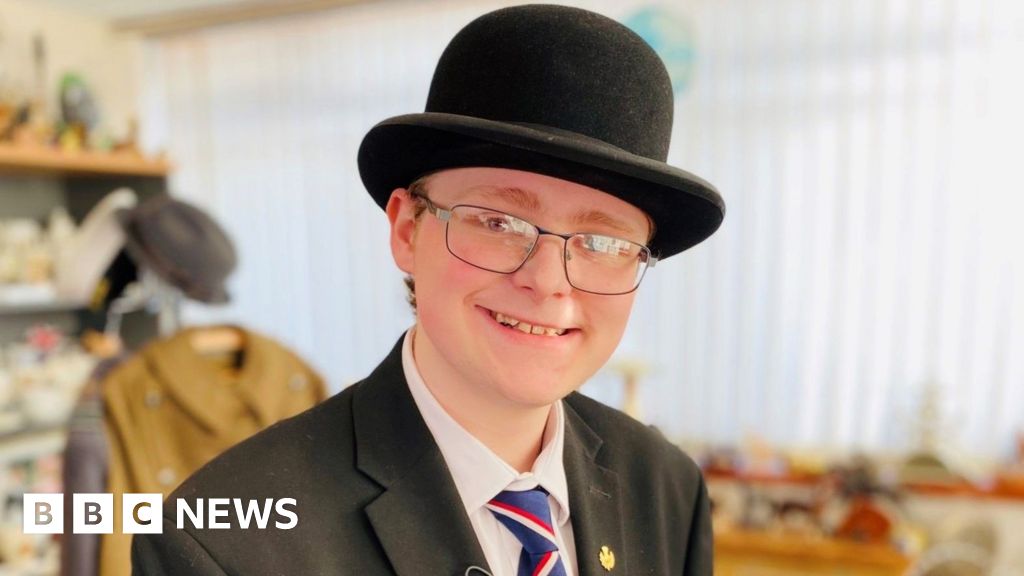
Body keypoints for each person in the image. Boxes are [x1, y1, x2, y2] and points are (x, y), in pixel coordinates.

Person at [131, 4, 724, 575]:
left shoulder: (665, 489)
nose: (547, 281)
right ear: (407, 228)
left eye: (602, 243)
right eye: (498, 222)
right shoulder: (224, 544)